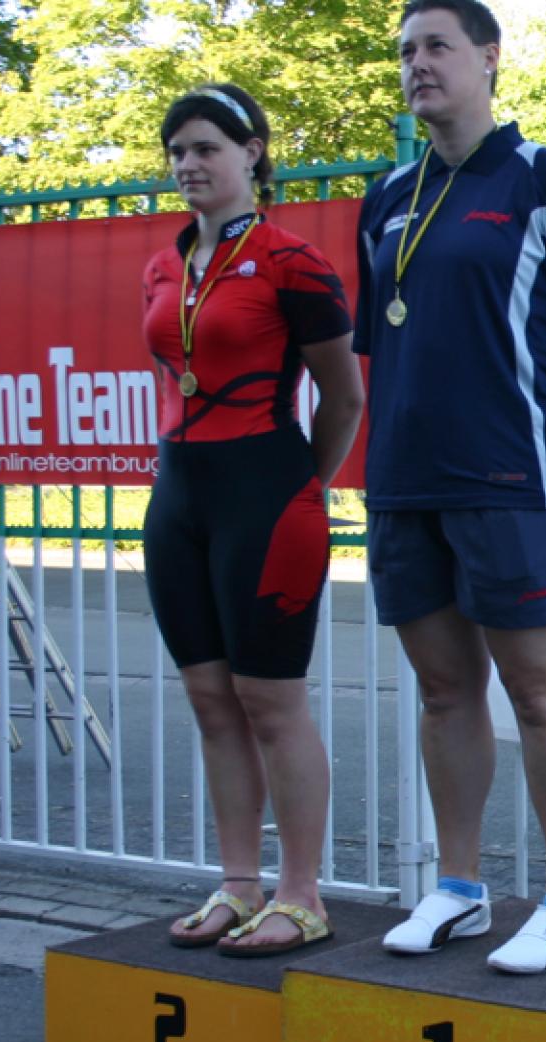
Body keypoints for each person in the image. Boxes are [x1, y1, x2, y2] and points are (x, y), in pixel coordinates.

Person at [355, 0, 546, 974]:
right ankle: (460, 889)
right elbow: (381, 341)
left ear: (488, 58)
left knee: (539, 691)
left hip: (517, 481)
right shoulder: (387, 196)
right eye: (406, 51)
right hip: (408, 482)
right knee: (445, 692)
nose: (417, 65)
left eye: (436, 46)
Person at [141, 84, 365, 956]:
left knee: (270, 702)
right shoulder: (165, 264)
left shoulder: (291, 261)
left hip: (268, 497)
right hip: (179, 498)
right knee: (210, 699)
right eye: (178, 151)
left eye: (206, 148)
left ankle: (302, 895)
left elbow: (344, 396)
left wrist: (300, 485)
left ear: (252, 154)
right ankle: (238, 884)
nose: (188, 164)